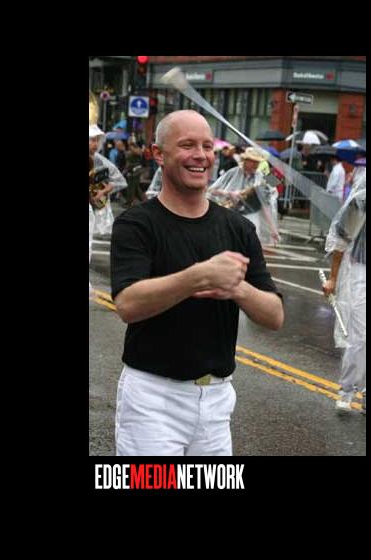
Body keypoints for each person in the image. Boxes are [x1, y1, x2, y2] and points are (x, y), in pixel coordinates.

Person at [110, 110, 284, 456]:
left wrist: (238, 288)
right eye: (187, 145)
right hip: (152, 400)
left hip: (217, 401)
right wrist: (198, 276)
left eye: (207, 146)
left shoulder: (238, 228)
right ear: (159, 154)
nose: (200, 155)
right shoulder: (137, 224)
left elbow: (274, 315)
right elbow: (128, 304)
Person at [321, 159, 366, 413]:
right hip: (361, 271)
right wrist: (333, 278)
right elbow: (340, 241)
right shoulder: (361, 202)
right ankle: (347, 391)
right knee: (359, 336)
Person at [207, 147, 280, 246]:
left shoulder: (261, 176)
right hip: (231, 216)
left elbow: (266, 204)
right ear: (245, 160)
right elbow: (211, 190)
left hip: (252, 217)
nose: (255, 164)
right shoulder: (233, 172)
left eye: (257, 162)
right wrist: (229, 193)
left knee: (250, 246)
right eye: (253, 161)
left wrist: (273, 229)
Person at [89, 125, 128, 237]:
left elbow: (118, 181)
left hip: (95, 206)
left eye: (97, 140)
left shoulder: (100, 161)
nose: (95, 144)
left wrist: (102, 191)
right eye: (92, 140)